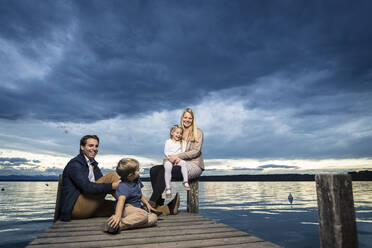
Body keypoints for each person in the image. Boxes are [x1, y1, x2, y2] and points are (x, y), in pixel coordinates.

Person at [149, 108, 204, 215]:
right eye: (185, 117)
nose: (187, 120)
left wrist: (177, 156)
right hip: (177, 163)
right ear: (182, 118)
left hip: (194, 164)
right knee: (154, 170)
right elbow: (172, 149)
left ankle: (151, 204)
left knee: (164, 171)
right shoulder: (179, 132)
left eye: (190, 118)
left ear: (193, 119)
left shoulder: (198, 132)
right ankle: (159, 204)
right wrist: (169, 159)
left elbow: (196, 151)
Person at [59, 135, 121, 221]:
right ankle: (134, 203)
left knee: (121, 207)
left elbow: (102, 186)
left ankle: (138, 208)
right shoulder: (75, 164)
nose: (94, 148)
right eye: (91, 145)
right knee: (111, 176)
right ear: (82, 147)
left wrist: (124, 183)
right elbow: (87, 188)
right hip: (75, 208)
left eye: (96, 146)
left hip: (89, 205)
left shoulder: (93, 164)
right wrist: (113, 186)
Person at [104, 158, 158, 234]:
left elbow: (139, 194)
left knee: (153, 218)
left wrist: (147, 204)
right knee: (143, 215)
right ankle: (114, 223)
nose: (139, 172)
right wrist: (117, 216)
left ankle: (120, 226)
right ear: (130, 175)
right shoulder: (123, 186)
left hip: (136, 209)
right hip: (126, 208)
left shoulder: (137, 180)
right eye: (137, 170)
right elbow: (121, 201)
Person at [164, 125, 190, 198]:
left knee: (184, 163)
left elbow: (183, 152)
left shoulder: (183, 142)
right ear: (172, 133)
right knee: (168, 167)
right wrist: (171, 158)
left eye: (180, 133)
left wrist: (178, 158)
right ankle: (168, 188)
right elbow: (166, 152)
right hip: (169, 159)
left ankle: (185, 181)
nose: (179, 135)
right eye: (177, 133)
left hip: (178, 159)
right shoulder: (168, 142)